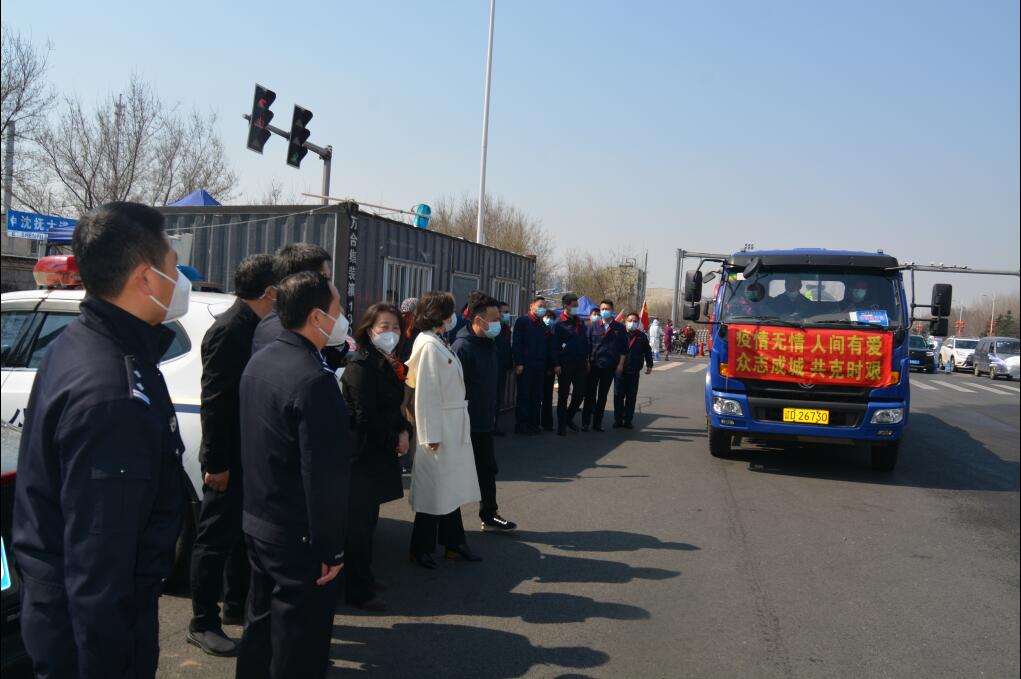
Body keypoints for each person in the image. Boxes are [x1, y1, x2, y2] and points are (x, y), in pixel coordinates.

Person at [12, 202, 187, 677]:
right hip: (92, 638)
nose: (180, 280)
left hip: (64, 614)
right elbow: (100, 568)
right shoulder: (112, 392)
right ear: (146, 279)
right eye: (173, 267)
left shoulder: (84, 340)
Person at [235, 271, 352, 679]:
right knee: (299, 639)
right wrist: (331, 549)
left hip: (258, 520)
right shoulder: (313, 379)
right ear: (317, 317)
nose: (342, 317)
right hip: (297, 535)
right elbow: (323, 474)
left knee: (261, 626)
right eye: (338, 309)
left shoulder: (262, 359)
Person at [188, 254, 278, 657]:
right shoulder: (228, 330)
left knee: (243, 539)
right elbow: (215, 403)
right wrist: (217, 464)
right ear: (270, 291)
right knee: (214, 540)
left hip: (250, 455)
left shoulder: (257, 326)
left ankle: (236, 605)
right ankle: (201, 622)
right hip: (228, 458)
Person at [340, 304, 413, 612]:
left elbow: (392, 408)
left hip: (378, 451)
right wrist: (396, 436)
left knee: (369, 521)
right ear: (369, 329)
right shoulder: (360, 364)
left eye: (396, 327)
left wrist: (404, 429)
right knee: (358, 525)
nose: (391, 333)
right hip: (361, 455)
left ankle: (364, 577)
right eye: (384, 326)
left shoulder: (386, 361)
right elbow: (365, 416)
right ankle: (357, 588)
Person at [405, 291, 483, 568]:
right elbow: (425, 394)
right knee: (434, 489)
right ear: (439, 315)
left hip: (451, 425)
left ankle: (454, 542)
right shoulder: (428, 344)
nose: (454, 317)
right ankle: (421, 547)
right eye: (450, 312)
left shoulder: (438, 340)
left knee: (449, 487)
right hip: (439, 428)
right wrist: (430, 435)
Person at [453, 294, 518, 533]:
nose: (498, 323)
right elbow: (455, 391)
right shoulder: (462, 347)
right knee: (457, 474)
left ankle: (489, 514)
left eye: (499, 318)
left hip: (484, 419)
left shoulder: (490, 342)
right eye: (494, 319)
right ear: (478, 320)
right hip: (465, 423)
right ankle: (448, 525)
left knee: (487, 469)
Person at [251, 242, 348, 368]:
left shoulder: (288, 320)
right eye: (325, 279)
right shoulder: (284, 332)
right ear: (303, 280)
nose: (329, 286)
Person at [512, 296, 556, 434]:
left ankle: (533, 424)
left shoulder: (542, 325)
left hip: (539, 366)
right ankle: (521, 426)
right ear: (532, 306)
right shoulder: (523, 322)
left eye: (544, 306)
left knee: (536, 397)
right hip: (525, 366)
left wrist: (548, 366)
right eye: (540, 306)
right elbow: (517, 343)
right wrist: (519, 362)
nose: (542, 309)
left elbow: (546, 347)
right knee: (524, 396)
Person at [582, 299, 627, 432]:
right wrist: (586, 362)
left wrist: (620, 364)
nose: (604, 311)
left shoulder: (620, 328)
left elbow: (624, 349)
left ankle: (597, 423)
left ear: (612, 310)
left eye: (607, 309)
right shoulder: (593, 326)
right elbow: (587, 346)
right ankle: (585, 423)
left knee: (602, 396)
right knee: (590, 395)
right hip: (594, 365)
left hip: (609, 366)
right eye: (602, 309)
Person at [553, 293, 590, 435]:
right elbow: (554, 346)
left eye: (577, 306)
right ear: (565, 306)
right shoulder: (558, 324)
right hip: (565, 364)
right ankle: (561, 425)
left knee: (580, 393)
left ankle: (568, 417)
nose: (576, 308)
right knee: (563, 395)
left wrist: (586, 360)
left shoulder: (580, 322)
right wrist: (556, 364)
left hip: (580, 363)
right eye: (574, 306)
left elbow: (584, 342)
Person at [614, 313, 654, 429]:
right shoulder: (619, 334)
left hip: (634, 371)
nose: (632, 323)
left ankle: (628, 420)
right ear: (625, 321)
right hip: (620, 371)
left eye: (635, 321)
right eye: (630, 320)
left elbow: (647, 351)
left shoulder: (641, 336)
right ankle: (618, 420)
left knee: (631, 397)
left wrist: (649, 365)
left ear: (638, 323)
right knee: (618, 397)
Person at [492, 300, 513, 436]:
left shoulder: (506, 328)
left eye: (508, 312)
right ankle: (490, 425)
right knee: (492, 397)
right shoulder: (493, 328)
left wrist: (509, 363)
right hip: (493, 368)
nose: (507, 315)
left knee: (499, 397)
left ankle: (495, 424)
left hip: (503, 367)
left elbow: (507, 347)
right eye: (505, 312)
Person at [540, 309, 558, 431]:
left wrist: (552, 367)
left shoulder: (553, 333)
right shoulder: (538, 331)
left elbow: (553, 352)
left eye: (551, 318)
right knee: (536, 396)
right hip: (537, 368)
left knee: (547, 397)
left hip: (549, 370)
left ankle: (547, 423)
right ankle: (534, 422)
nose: (549, 320)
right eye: (547, 317)